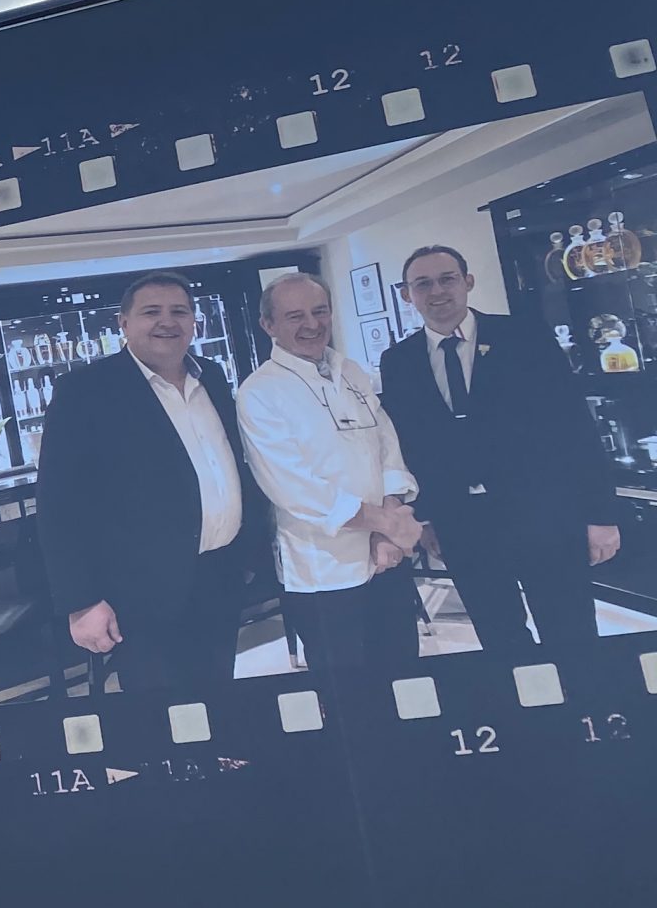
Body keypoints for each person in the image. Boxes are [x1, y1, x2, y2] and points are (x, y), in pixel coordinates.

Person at [380, 243, 623, 656]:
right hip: (463, 525)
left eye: (447, 279)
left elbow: (574, 427)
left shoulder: (524, 336)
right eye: (423, 284)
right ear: (407, 295)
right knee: (501, 639)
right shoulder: (397, 361)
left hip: (544, 515)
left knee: (572, 633)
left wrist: (601, 515)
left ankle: (585, 698)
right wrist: (426, 519)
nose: (437, 291)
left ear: (468, 282)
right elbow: (410, 446)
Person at [34, 272, 268, 694]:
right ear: (123, 323)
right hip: (140, 592)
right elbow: (58, 504)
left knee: (218, 691)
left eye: (179, 311)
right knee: (162, 709)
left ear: (194, 321)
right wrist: (81, 601)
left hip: (221, 574)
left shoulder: (212, 377)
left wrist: (247, 553)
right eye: (151, 312)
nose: (167, 321)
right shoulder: (86, 390)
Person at [237, 273, 424, 674]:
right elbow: (294, 488)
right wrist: (388, 524)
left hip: (386, 556)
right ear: (268, 325)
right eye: (295, 316)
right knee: (348, 685)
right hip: (324, 570)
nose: (312, 324)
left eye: (320, 311)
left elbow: (387, 445)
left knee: (405, 671)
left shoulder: (350, 371)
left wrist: (386, 529)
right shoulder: (259, 392)